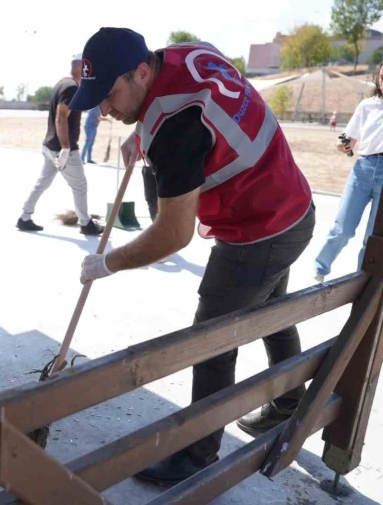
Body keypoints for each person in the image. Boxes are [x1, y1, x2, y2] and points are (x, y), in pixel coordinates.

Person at [73, 28, 314, 485]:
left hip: (258, 229)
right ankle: (290, 402)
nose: (104, 109)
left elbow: (172, 234)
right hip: (292, 205)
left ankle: (197, 454)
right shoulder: (183, 54)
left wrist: (108, 262)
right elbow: (189, 106)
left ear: (141, 71)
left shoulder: (176, 129)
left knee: (210, 339)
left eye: (109, 95)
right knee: (271, 309)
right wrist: (141, 134)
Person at [16, 54, 104, 235]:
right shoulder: (72, 88)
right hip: (62, 148)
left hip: (49, 146)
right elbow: (61, 116)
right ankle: (86, 223)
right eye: (86, 66)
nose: (89, 70)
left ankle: (24, 217)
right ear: (79, 66)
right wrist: (65, 148)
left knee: (42, 182)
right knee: (79, 185)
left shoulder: (61, 83)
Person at [314, 63, 383, 283]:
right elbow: (347, 139)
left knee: (372, 236)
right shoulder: (367, 106)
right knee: (342, 228)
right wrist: (342, 145)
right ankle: (320, 270)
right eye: (382, 77)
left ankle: (362, 279)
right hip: (363, 169)